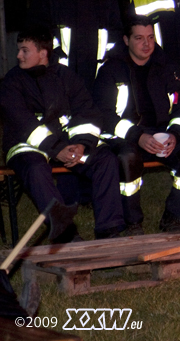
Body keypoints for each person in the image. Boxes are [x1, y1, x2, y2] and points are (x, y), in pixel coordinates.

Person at [0, 27, 124, 242]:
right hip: (26, 146)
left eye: (24, 50)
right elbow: (24, 124)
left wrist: (82, 144)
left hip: (67, 146)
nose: (18, 55)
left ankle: (109, 229)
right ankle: (65, 233)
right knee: (36, 169)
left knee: (105, 159)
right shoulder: (12, 82)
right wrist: (57, 149)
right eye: (19, 50)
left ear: (43, 53)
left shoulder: (66, 77)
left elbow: (86, 112)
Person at [93, 16, 180, 234]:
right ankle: (132, 223)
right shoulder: (111, 70)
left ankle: (174, 218)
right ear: (126, 40)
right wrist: (137, 136)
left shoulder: (167, 67)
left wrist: (175, 133)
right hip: (127, 138)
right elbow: (104, 116)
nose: (147, 44)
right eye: (139, 38)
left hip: (164, 135)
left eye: (150, 37)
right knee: (126, 159)